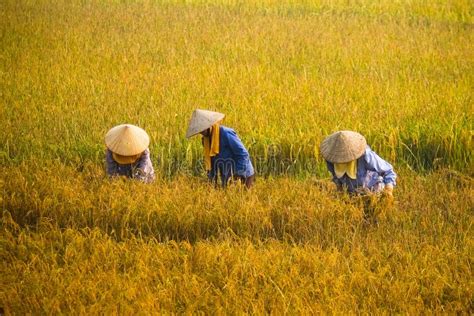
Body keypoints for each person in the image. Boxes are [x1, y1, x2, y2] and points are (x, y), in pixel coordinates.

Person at [186, 109, 255, 188]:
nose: (201, 132)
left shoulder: (225, 133)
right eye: (199, 130)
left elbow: (243, 154)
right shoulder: (206, 140)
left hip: (243, 173)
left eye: (202, 129)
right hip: (227, 176)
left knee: (243, 198)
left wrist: (238, 175)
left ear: (209, 126)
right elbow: (211, 162)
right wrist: (211, 181)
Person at [320, 130, 396, 197]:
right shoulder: (331, 158)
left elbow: (388, 170)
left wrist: (388, 189)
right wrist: (340, 189)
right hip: (350, 195)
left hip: (372, 192)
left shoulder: (365, 155)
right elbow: (335, 176)